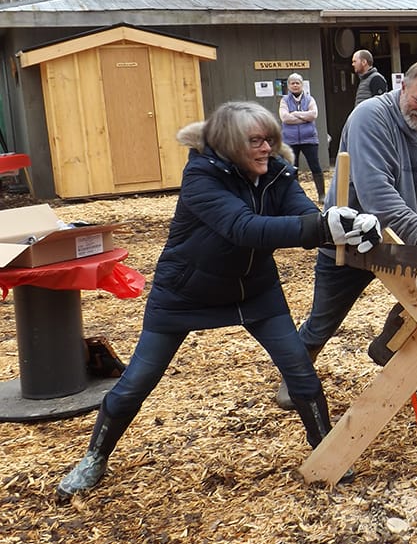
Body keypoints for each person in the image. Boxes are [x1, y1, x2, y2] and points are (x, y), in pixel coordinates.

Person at [57, 102, 380, 499]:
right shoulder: (201, 176)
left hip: (253, 290)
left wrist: (343, 226)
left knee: (300, 369)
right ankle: (94, 457)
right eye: (255, 142)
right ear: (229, 145)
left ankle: (328, 450)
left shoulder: (276, 171)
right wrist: (319, 227)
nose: (266, 149)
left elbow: (302, 215)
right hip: (184, 293)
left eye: (270, 140)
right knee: (137, 381)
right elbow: (242, 228)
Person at [276, 60, 417, 409]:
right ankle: (294, 375)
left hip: (405, 242)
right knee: (323, 321)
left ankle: (388, 345)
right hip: (353, 237)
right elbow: (375, 192)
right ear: (403, 88)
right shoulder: (369, 117)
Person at [279, 73, 325, 203]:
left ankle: (322, 195)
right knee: (293, 169)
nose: (295, 85)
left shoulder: (310, 99)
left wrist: (295, 114)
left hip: (309, 139)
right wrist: (304, 117)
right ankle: (295, 196)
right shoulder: (284, 100)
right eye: (292, 83)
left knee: (315, 167)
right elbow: (285, 118)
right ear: (288, 86)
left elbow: (313, 115)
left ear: (302, 85)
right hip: (290, 140)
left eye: (297, 83)